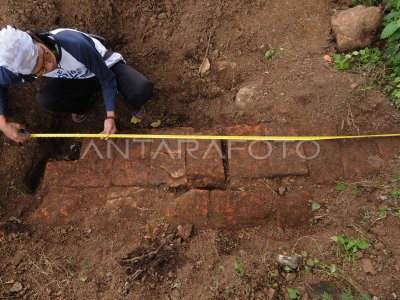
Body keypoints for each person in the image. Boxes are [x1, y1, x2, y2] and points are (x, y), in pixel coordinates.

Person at [0, 25, 153, 143]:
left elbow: (106, 78)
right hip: (77, 78)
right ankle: (85, 103)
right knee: (46, 99)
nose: (50, 66)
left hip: (105, 67)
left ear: (38, 41)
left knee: (141, 89)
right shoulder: (19, 68)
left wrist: (110, 117)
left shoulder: (74, 45)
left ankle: (125, 100)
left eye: (46, 56)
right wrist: (3, 125)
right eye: (40, 70)